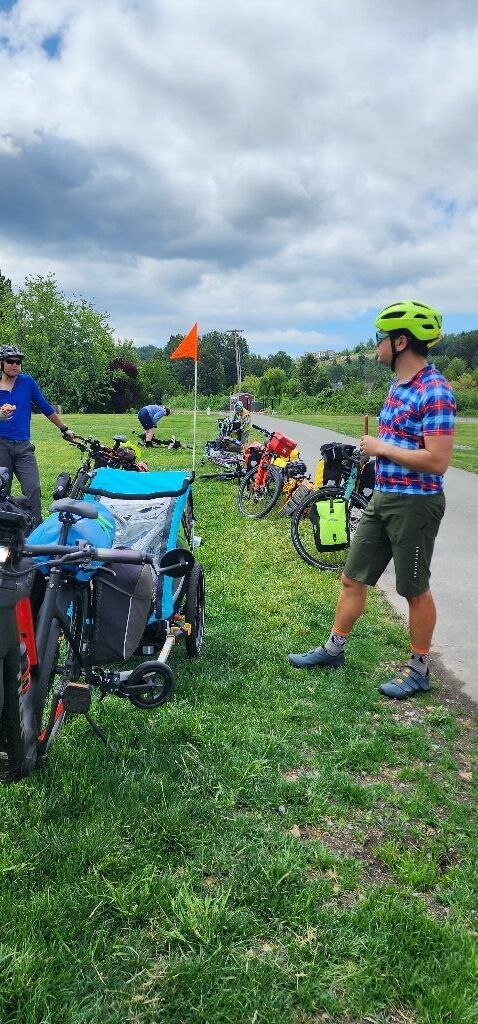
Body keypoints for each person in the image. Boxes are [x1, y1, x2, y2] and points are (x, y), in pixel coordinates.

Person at [288, 300, 456, 700]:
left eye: (381, 337)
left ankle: (419, 669)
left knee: (414, 589)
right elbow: (400, 443)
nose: (376, 344)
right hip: (384, 497)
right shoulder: (398, 385)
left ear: (401, 342)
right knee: (353, 576)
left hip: (415, 504)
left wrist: (381, 447)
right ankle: (334, 650)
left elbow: (437, 461)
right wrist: (372, 454)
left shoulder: (434, 391)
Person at [0, 344, 74, 528]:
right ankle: (6, 532)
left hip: (23, 446)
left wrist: (64, 428)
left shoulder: (27, 382)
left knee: (33, 488)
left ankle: (36, 529)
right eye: (10, 361)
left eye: (18, 361)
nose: (15, 365)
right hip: (1, 445)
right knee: (2, 490)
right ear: (1, 363)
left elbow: (44, 406)